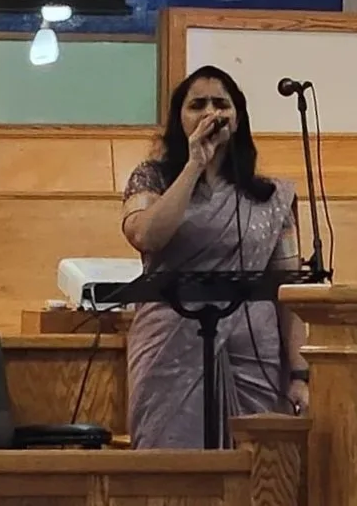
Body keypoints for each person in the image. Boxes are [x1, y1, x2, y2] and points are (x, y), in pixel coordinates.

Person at [119, 66, 308, 449]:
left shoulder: (270, 197)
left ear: (237, 119)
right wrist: (193, 166)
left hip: (253, 349)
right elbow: (146, 236)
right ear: (179, 119)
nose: (209, 113)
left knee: (256, 466)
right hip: (171, 346)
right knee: (171, 465)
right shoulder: (152, 178)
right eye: (197, 105)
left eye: (221, 103)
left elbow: (289, 289)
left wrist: (300, 374)